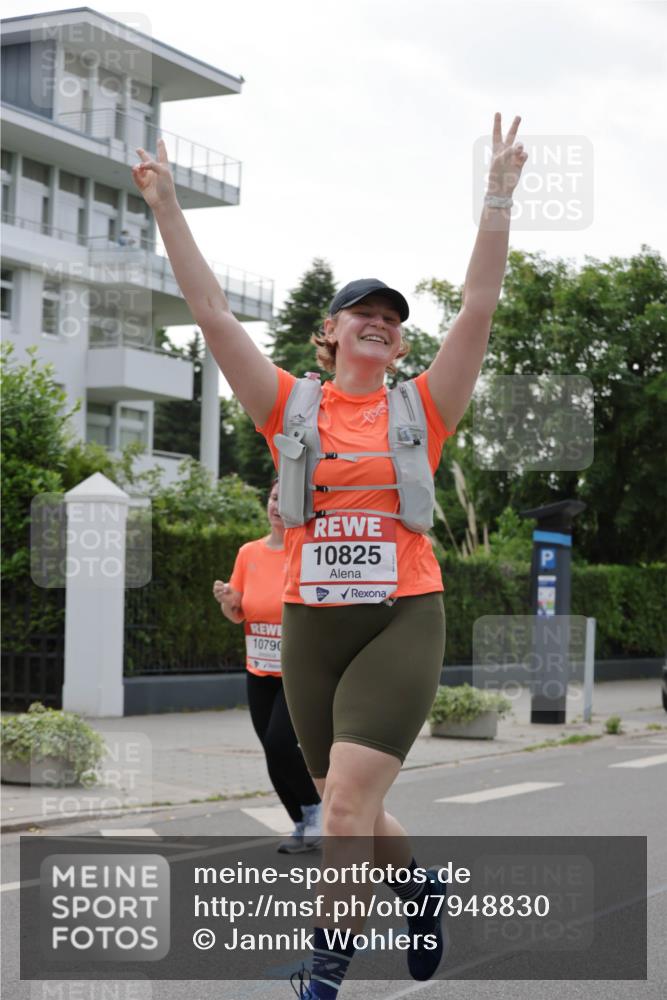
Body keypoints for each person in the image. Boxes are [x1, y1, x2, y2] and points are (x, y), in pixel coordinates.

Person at [131, 111, 528, 997]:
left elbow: (478, 306)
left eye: (392, 317)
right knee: (355, 808)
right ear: (332, 329)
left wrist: (496, 197)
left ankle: (326, 966)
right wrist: (166, 207)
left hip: (400, 618)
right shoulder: (288, 407)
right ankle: (419, 889)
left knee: (342, 808)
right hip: (313, 627)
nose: (381, 322)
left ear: (399, 341)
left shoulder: (422, 407)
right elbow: (208, 311)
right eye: (365, 312)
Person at [212, 477, 322, 854]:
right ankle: (301, 822)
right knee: (271, 749)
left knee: (280, 741)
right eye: (274, 497)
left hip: (297, 670)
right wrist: (227, 599)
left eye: (285, 498)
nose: (277, 505)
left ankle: (317, 808)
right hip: (258, 668)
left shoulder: (308, 550)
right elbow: (238, 613)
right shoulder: (249, 553)